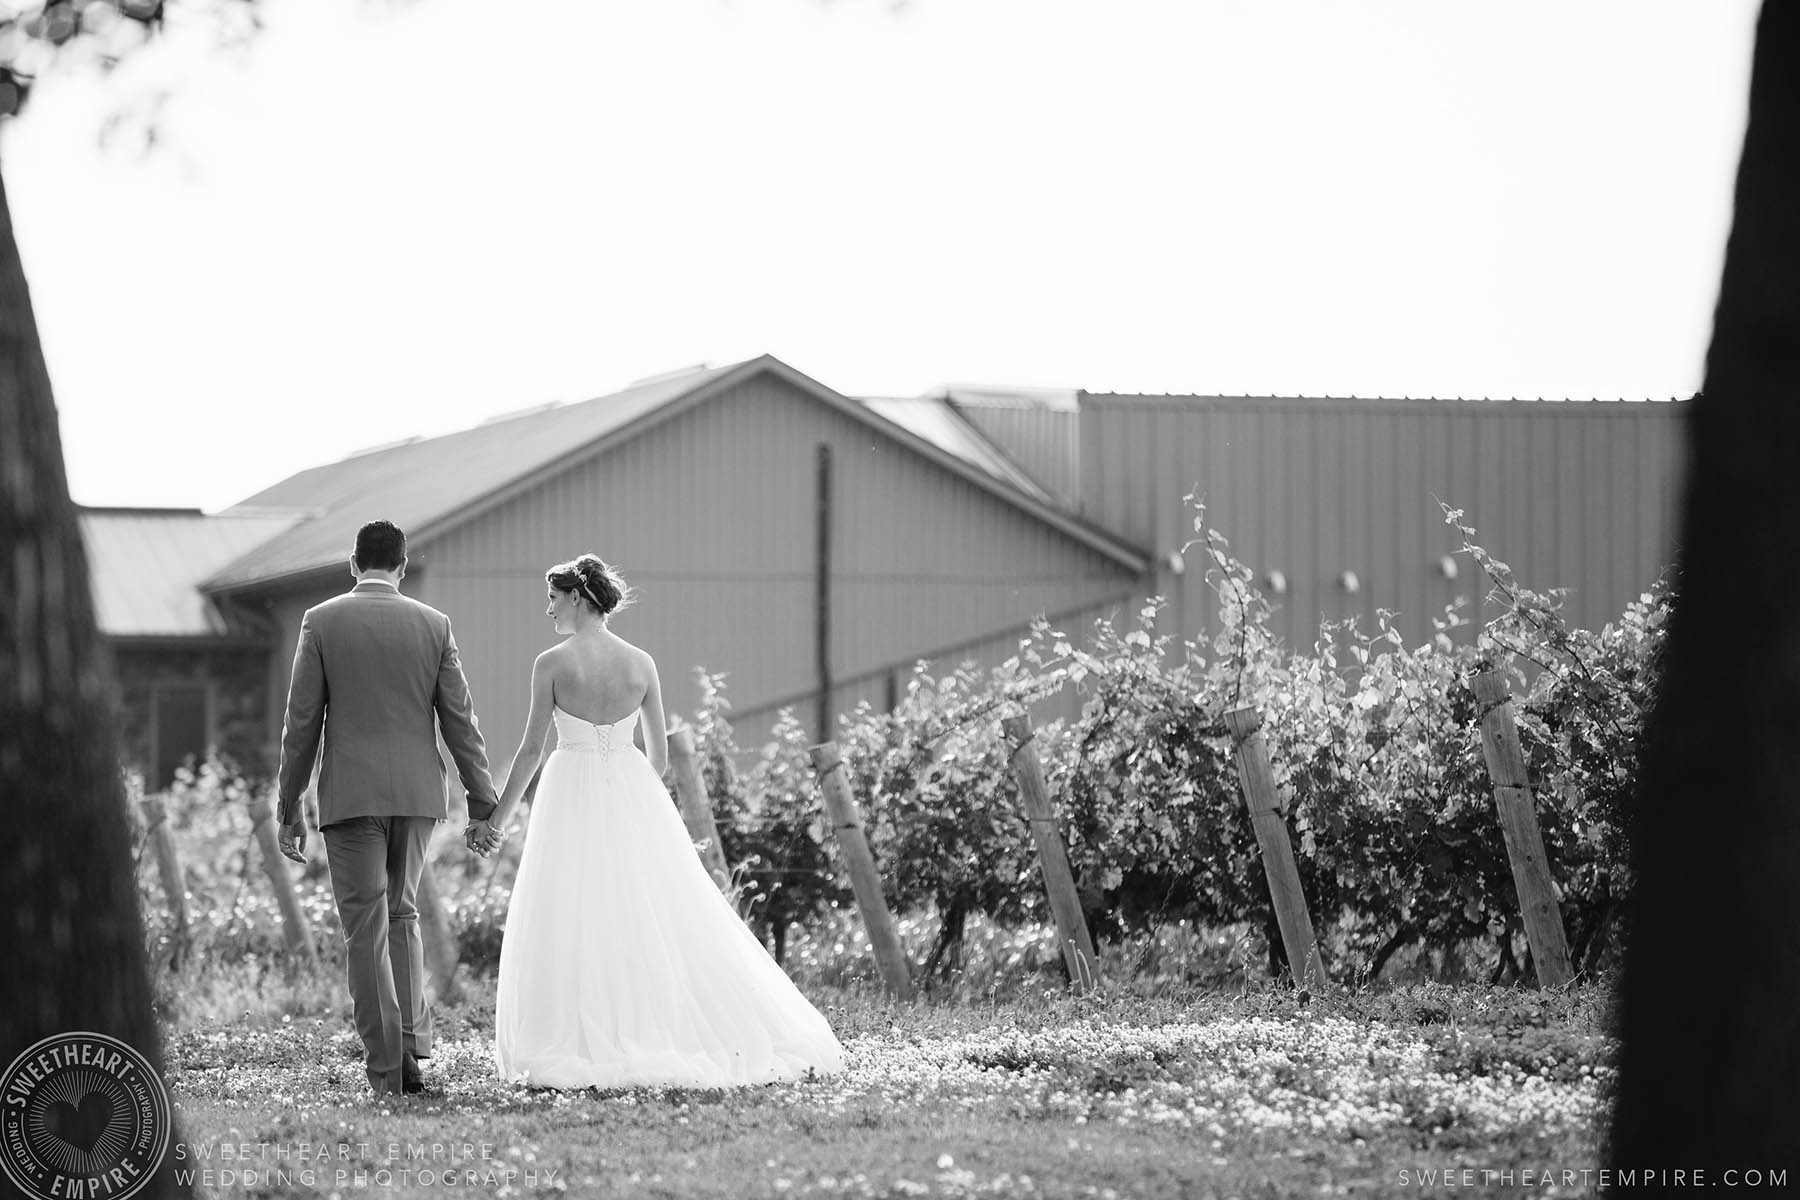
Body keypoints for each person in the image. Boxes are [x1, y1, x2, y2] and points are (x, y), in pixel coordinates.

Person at [481, 553, 845, 1088]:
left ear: (577, 598)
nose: (549, 609)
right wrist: (627, 792)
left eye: (553, 598)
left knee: (571, 907)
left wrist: (497, 818)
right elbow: (660, 758)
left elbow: (532, 749)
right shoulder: (641, 663)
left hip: (569, 791)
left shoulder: (551, 664)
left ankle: (582, 1032)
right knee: (647, 907)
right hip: (632, 789)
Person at [275, 520, 502, 1097]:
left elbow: (302, 723)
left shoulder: (321, 621)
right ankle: (411, 1048)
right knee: (402, 913)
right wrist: (482, 801)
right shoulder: (434, 624)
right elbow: (460, 720)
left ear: (354, 564)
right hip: (418, 796)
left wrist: (288, 806)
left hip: (350, 797)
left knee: (366, 928)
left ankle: (385, 1070)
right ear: (402, 567)